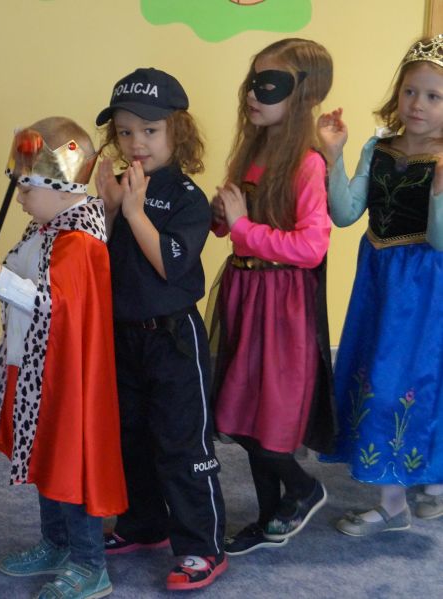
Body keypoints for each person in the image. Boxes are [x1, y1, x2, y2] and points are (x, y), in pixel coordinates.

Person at [0, 117, 127, 599]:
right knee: (44, 456)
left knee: (69, 465)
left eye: (26, 186)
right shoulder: (45, 230)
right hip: (35, 368)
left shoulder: (79, 242)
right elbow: (14, 283)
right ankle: (56, 544)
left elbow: (56, 305)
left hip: (66, 379)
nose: (18, 196)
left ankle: (89, 564)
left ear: (60, 187)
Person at [93, 68, 226, 591]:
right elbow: (97, 257)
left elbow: (171, 262)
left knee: (181, 444)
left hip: (173, 339)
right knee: (131, 436)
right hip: (123, 334)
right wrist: (108, 209)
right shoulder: (121, 186)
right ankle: (143, 524)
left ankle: (201, 547)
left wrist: (133, 211)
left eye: (150, 130)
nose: (137, 143)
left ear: (178, 131)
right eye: (126, 132)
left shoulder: (187, 196)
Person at [209, 38, 336, 555]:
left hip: (281, 306)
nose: (252, 95)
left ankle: (301, 491)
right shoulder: (253, 152)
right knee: (236, 413)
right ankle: (269, 514)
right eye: (252, 83)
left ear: (304, 95)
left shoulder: (307, 164)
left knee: (267, 418)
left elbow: (310, 247)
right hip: (244, 294)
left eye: (270, 85)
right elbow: (233, 228)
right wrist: (223, 216)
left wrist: (243, 227)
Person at [318, 34, 443, 535]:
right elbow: (346, 213)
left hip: (424, 289)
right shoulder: (380, 147)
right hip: (378, 282)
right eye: (411, 91)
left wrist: (438, 192)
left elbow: (439, 240)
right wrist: (335, 156)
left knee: (409, 380)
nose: (418, 104)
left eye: (434, 96)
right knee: (375, 373)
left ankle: (404, 498)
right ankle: (410, 489)